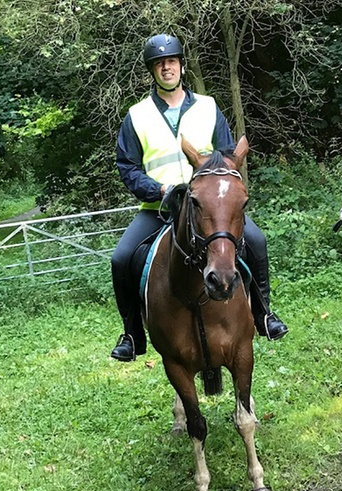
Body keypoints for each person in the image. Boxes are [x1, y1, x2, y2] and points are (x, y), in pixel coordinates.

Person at [109, 34, 288, 362]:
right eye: (160, 63)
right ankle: (132, 335)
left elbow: (226, 155)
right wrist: (159, 190)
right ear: (153, 70)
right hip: (160, 208)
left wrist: (214, 188)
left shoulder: (208, 107)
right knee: (121, 259)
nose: (167, 67)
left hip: (210, 208)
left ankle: (264, 314)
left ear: (181, 65)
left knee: (257, 241)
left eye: (172, 61)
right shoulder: (136, 115)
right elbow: (128, 167)